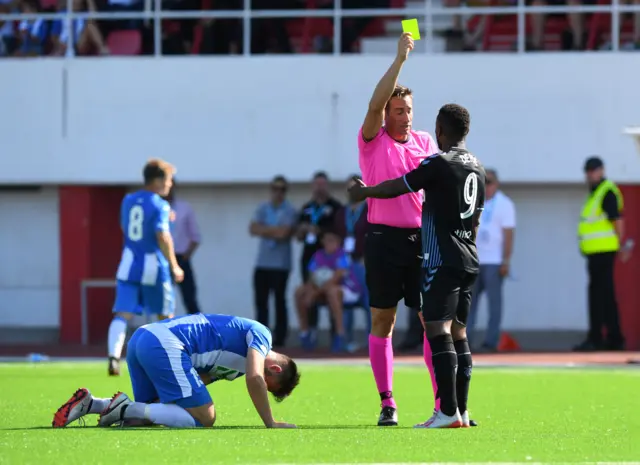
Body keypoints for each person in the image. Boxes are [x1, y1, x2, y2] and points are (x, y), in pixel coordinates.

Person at [350, 103, 485, 429]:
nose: (408, 117)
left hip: (439, 257)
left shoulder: (439, 162)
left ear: (440, 130)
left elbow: (400, 184)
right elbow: (477, 216)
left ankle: (447, 410)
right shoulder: (477, 166)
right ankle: (461, 411)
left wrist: (365, 192)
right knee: (459, 333)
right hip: (469, 256)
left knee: (437, 329)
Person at [357, 31, 439, 426]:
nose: (404, 116)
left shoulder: (425, 142)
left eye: (408, 109)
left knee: (430, 320)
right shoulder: (373, 141)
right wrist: (400, 60)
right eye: (398, 110)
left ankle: (444, 402)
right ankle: (387, 401)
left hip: (421, 240)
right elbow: (373, 104)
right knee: (382, 321)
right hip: (383, 240)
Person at [53, 313, 300, 429]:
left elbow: (201, 379)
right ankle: (124, 407)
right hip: (165, 344)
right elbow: (256, 377)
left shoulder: (237, 368)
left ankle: (93, 404)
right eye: (269, 386)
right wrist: (271, 422)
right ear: (275, 368)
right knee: (206, 418)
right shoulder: (261, 336)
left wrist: (174, 399)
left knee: (151, 414)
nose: (261, 388)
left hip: (143, 339)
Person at [107, 159, 183, 377]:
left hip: (129, 263)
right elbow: (162, 235)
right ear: (158, 180)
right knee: (164, 315)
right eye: (168, 180)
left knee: (122, 314)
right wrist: (175, 265)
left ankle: (113, 356)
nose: (170, 184)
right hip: (153, 265)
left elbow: (126, 227)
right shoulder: (160, 204)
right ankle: (170, 360)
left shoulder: (128, 200)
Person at [574, 156, 633, 352]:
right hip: (596, 253)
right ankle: (612, 338)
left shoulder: (606, 192)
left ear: (601, 170)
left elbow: (617, 219)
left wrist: (621, 245)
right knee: (604, 296)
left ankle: (598, 338)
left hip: (604, 252)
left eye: (593, 170)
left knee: (599, 296)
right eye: (588, 171)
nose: (590, 174)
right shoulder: (596, 192)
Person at [467, 168, 516, 352]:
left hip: (494, 261)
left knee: (494, 305)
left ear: (497, 184)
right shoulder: (473, 201)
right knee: (469, 305)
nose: (486, 186)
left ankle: (491, 341)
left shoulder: (505, 204)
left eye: (490, 182)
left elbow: (509, 234)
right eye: (483, 182)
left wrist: (506, 260)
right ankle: (465, 340)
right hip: (474, 260)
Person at [295, 171, 343, 349]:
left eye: (323, 184)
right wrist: (303, 230)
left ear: (327, 186)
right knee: (308, 293)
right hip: (309, 259)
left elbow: (338, 233)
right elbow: (298, 234)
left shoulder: (336, 207)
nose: (319, 187)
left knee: (330, 294)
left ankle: (335, 335)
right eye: (317, 184)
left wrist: (319, 231)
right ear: (312, 186)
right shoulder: (307, 207)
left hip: (330, 259)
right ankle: (310, 333)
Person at [249, 175, 298, 347]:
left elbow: (284, 233)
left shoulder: (290, 210)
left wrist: (266, 230)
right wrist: (274, 231)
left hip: (281, 264)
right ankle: (261, 336)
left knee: (279, 301)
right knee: (261, 301)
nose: (278, 192)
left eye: (282, 189)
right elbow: (253, 228)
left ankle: (280, 337)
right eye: (275, 189)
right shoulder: (263, 207)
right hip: (262, 263)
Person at [295, 229, 360, 352]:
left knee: (332, 292)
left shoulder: (343, 255)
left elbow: (336, 279)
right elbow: (312, 277)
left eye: (332, 240)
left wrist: (314, 293)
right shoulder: (318, 255)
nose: (329, 243)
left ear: (338, 242)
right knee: (299, 291)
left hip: (348, 290)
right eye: (326, 240)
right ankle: (304, 332)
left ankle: (340, 334)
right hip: (322, 290)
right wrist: (309, 290)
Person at [165, 182, 202, 315]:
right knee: (163, 301)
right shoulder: (154, 208)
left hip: (181, 258)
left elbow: (195, 237)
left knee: (190, 299)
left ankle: (201, 331)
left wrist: (186, 256)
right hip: (161, 259)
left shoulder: (184, 208)